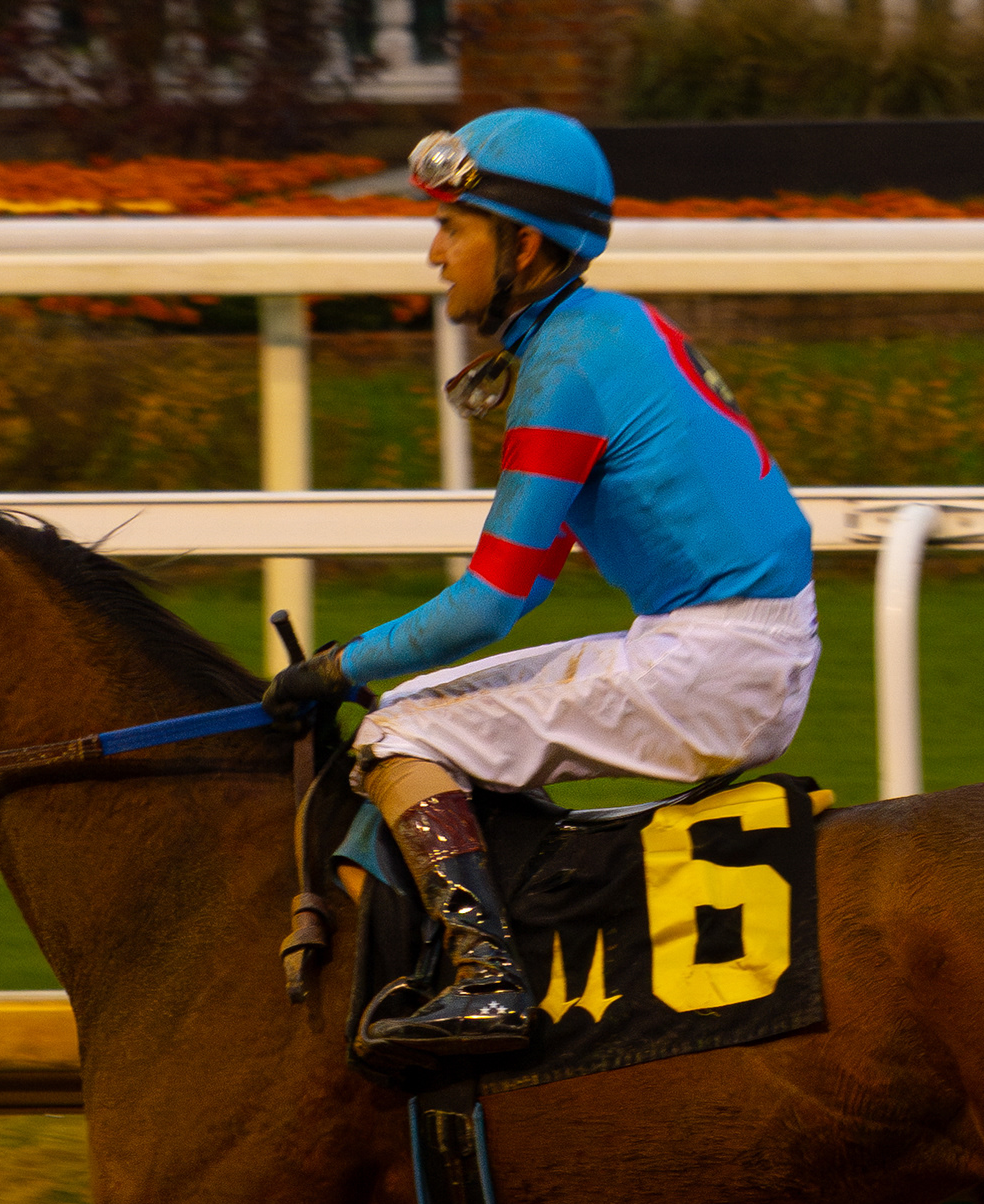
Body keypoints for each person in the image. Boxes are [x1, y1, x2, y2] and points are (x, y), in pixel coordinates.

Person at [265, 109, 821, 1064]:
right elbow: (538, 567)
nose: (435, 252)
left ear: (522, 242)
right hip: (741, 639)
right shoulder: (608, 328)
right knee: (418, 705)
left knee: (399, 729)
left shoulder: (568, 364)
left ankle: (488, 982)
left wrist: (337, 667)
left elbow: (493, 597)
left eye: (455, 226)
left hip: (718, 657)